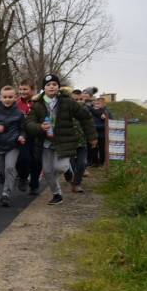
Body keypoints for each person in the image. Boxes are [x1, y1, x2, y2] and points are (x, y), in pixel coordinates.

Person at [24, 74, 97, 206]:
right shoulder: (37, 104)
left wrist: (92, 136)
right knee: (47, 171)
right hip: (45, 142)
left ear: (58, 87)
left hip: (63, 141)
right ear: (44, 88)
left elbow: (85, 118)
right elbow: (29, 123)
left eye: (54, 84)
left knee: (60, 166)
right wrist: (40, 126)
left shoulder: (67, 101)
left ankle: (68, 169)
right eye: (48, 85)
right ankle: (57, 194)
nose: (51, 86)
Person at [0, 85, 26, 207]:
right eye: (5, 97)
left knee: (10, 168)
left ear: (15, 97)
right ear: (0, 98)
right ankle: (1, 175)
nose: (7, 99)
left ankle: (6, 195)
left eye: (10, 97)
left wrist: (22, 136)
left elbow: (22, 129)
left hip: (12, 145)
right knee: (1, 170)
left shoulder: (19, 113)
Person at [14, 78, 42, 195]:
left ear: (32, 90)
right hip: (22, 135)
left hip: (37, 135)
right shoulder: (16, 103)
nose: (22, 92)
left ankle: (34, 185)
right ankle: (23, 177)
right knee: (23, 158)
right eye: (20, 89)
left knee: (36, 161)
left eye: (25, 89)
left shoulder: (38, 103)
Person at [69, 90, 90, 193]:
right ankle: (73, 181)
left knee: (82, 164)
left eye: (81, 99)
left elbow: (89, 126)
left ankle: (77, 183)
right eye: (75, 99)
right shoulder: (65, 112)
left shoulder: (86, 111)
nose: (78, 101)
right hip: (70, 143)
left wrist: (92, 137)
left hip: (82, 142)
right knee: (71, 165)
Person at [89, 96, 111, 167]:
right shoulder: (93, 112)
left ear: (103, 104)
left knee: (102, 150)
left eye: (98, 103)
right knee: (93, 149)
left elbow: (108, 123)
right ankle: (95, 162)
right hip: (94, 134)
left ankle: (101, 162)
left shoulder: (107, 113)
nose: (96, 105)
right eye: (96, 104)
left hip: (102, 135)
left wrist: (96, 126)